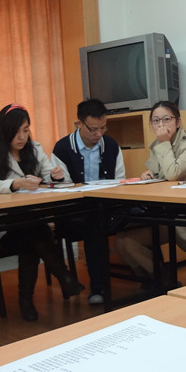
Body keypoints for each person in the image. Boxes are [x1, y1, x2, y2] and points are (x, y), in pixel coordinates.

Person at [0, 104, 85, 321]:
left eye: (26, 130)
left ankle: (26, 300)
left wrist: (55, 176)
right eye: (16, 132)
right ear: (5, 131)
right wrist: (15, 183)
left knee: (30, 233)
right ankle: (62, 275)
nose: (22, 137)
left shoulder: (34, 148)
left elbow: (52, 176)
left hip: (29, 223)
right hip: (2, 226)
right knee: (32, 229)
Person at [115, 101, 186, 284]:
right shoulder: (157, 145)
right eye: (156, 121)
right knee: (122, 240)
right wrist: (147, 175)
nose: (161, 125)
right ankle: (155, 281)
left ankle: (163, 281)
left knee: (129, 242)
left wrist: (164, 143)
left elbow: (172, 174)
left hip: (185, 216)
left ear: (178, 122)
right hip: (162, 211)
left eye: (166, 119)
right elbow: (157, 174)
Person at [52, 99, 126, 304]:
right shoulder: (62, 148)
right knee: (94, 224)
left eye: (103, 128)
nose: (99, 134)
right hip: (75, 212)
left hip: (108, 207)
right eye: (93, 129)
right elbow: (63, 189)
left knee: (141, 213)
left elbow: (120, 180)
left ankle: (154, 279)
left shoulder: (111, 145)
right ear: (79, 124)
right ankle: (99, 288)